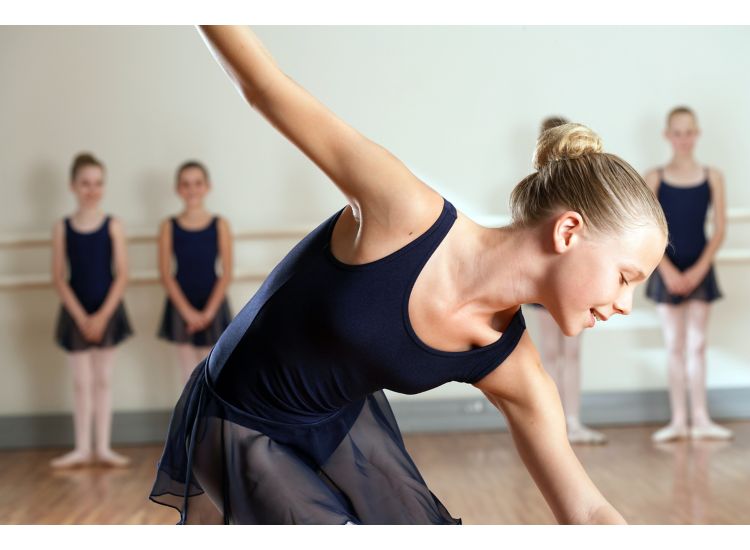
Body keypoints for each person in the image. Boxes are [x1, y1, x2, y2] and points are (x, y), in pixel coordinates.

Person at [149, 26, 667, 524]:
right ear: (568, 232)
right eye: (626, 276)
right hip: (238, 417)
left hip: (336, 425)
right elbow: (265, 86)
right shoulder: (406, 213)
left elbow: (587, 510)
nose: (625, 303)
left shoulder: (514, 368)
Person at [644, 106, 731, 443]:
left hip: (700, 267)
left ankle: (701, 418)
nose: (683, 139)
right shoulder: (655, 177)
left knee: (697, 345)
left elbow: (720, 229)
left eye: (689, 132)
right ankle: (678, 420)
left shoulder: (713, 176)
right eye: (677, 132)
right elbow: (649, 230)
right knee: (674, 346)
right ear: (668, 136)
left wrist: (699, 270)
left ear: (697, 134)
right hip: (666, 268)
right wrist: (666, 270)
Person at [50, 153, 133, 468]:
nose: (92, 189)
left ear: (104, 186)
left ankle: (103, 447)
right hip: (75, 313)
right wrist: (82, 316)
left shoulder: (114, 225)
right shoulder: (63, 227)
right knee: (80, 381)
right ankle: (81, 447)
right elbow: (58, 276)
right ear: (73, 186)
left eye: (97, 183)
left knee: (103, 379)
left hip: (107, 310)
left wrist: (101, 316)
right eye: (85, 183)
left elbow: (122, 273)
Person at [529, 116, 607, 445]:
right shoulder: (535, 189)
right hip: (546, 281)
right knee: (549, 353)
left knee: (571, 352)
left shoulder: (582, 190)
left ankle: (573, 421)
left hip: (574, 281)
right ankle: (554, 424)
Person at [157, 161, 233, 384]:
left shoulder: (220, 224)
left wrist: (208, 313)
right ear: (178, 189)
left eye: (197, 183)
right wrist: (188, 313)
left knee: (212, 375)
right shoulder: (168, 226)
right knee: (188, 376)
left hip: (212, 302)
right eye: (186, 184)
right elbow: (165, 273)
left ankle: (209, 420)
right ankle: (189, 420)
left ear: (207, 187)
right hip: (181, 304)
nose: (192, 189)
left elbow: (226, 272)